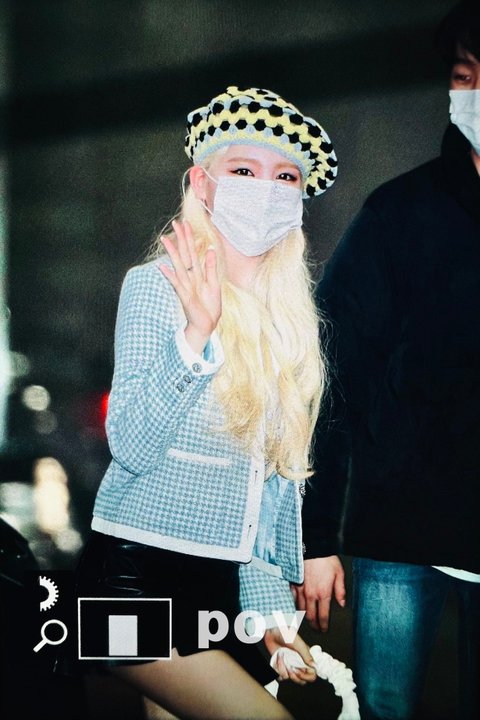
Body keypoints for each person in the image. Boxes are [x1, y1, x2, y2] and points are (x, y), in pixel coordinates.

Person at [72, 85, 338, 719]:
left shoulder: (285, 319)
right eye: (243, 170)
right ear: (202, 182)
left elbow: (263, 494)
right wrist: (196, 336)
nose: (265, 188)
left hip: (218, 591)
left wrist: (270, 615)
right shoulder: (155, 287)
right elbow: (131, 445)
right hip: (131, 584)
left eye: (285, 176)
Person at [297, 2, 480, 719]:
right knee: (384, 709)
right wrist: (315, 536)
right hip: (399, 535)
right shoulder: (398, 214)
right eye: (464, 77)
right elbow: (334, 375)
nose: (474, 94)